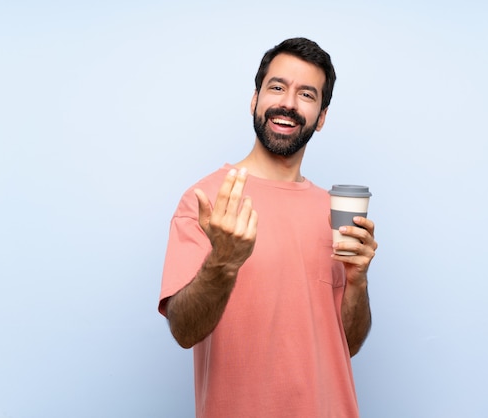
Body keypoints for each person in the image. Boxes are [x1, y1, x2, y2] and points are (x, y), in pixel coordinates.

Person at [159, 37, 378, 418]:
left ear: (321, 116)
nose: (288, 103)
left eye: (306, 94)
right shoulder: (207, 199)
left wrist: (358, 280)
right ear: (255, 99)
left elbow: (347, 344)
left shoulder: (333, 211)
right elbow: (184, 330)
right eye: (277, 87)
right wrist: (222, 262)